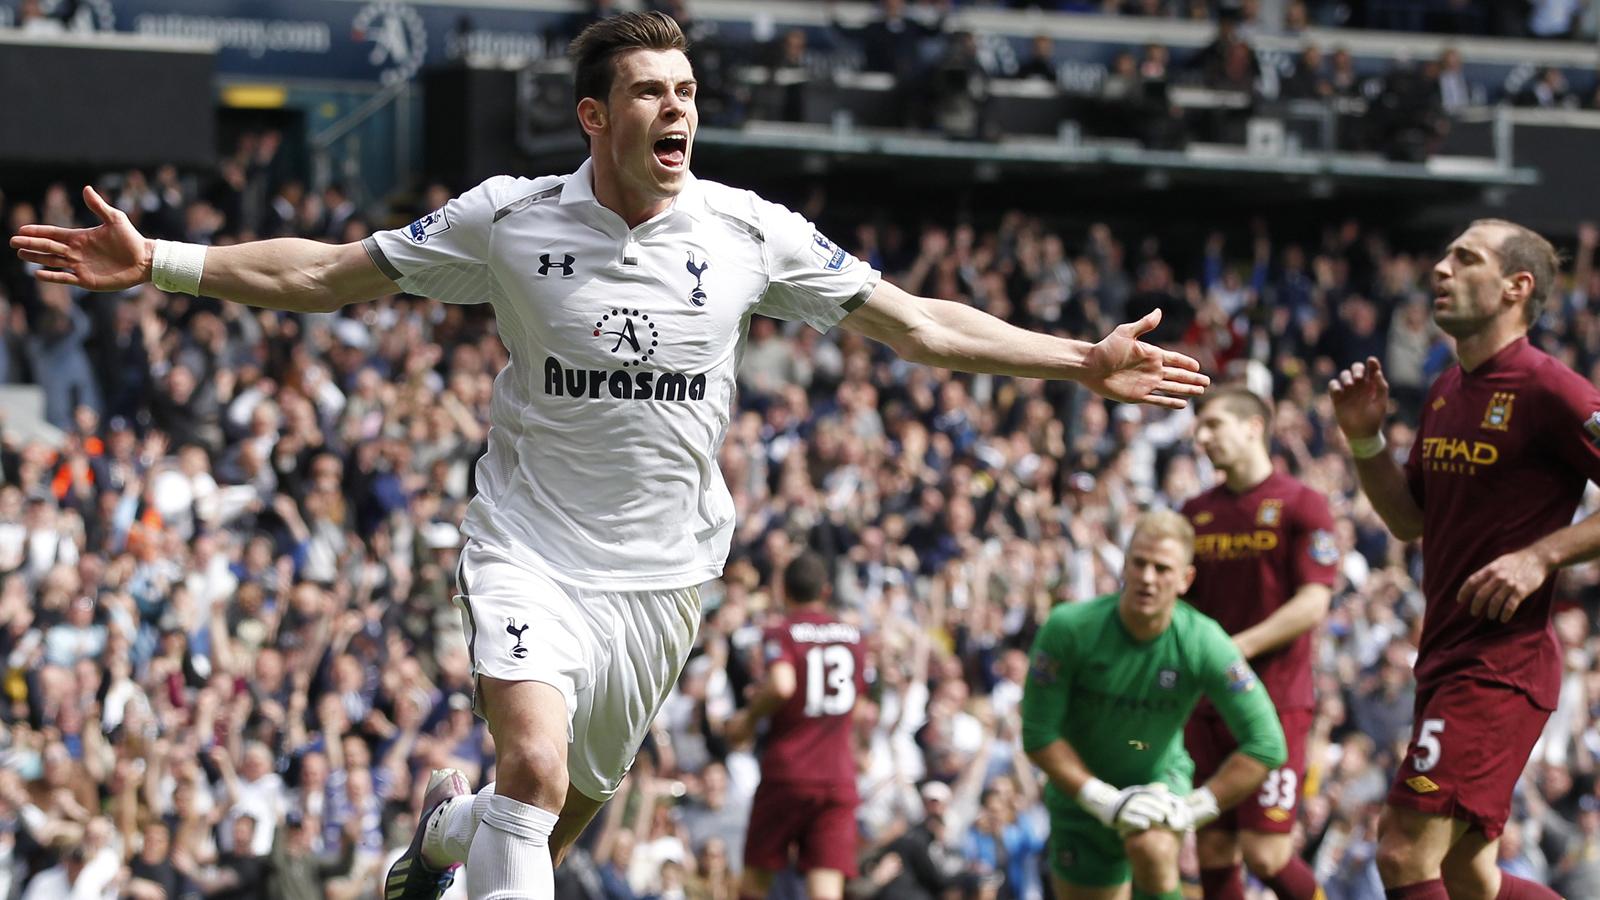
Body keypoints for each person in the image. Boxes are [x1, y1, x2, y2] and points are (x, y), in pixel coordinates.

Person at [10, 13, 1207, 900]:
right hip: (528, 542)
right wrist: (163, 260)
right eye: (649, 90)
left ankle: (442, 839)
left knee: (556, 814)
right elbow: (328, 273)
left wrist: (1073, 361)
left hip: (666, 574)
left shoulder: (751, 234)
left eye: (686, 88)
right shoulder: (509, 219)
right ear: (597, 116)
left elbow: (920, 324)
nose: (676, 108)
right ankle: (474, 822)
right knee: (530, 769)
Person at [1329, 218, 1595, 900]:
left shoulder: (1550, 389)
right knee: (1466, 874)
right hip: (1447, 657)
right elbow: (1407, 518)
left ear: (1516, 287)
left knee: (1401, 852)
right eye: (1444, 257)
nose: (1440, 270)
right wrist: (1365, 442)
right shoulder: (1447, 389)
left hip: (1499, 663)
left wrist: (1541, 556)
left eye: (1464, 258)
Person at [1020, 510, 1287, 900]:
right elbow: (1038, 733)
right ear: (1123, 565)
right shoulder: (1068, 628)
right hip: (1079, 798)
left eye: (1162, 568)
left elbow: (1267, 743)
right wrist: (1102, 799)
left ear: (1185, 579)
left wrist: (1195, 808)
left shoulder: (1203, 641)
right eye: (1139, 563)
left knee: (1154, 847)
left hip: (1159, 786)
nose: (1147, 578)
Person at [1182, 386, 1338, 900]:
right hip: (1207, 705)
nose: (1202, 438)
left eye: (1213, 425)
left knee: (1266, 852)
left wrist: (1237, 647)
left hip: (1275, 700)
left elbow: (1314, 602)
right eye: (1199, 428)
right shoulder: (1194, 512)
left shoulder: (1302, 503)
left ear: (1254, 427)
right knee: (1212, 850)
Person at [724, 551, 866, 900]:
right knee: (826, 890)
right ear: (826, 591)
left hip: (789, 771)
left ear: (784, 591)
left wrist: (748, 718)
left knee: (755, 881)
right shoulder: (853, 637)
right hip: (837, 776)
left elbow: (782, 684)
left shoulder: (783, 632)